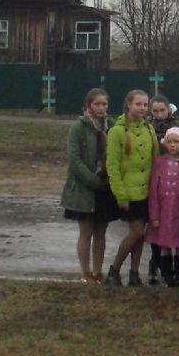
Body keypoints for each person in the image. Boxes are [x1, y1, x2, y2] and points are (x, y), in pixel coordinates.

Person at [60, 87, 118, 284]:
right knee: (86, 232)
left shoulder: (111, 126)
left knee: (101, 232)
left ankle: (97, 271)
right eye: (97, 104)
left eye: (104, 104)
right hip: (85, 188)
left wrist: (108, 179)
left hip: (106, 187)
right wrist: (92, 180)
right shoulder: (79, 127)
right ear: (88, 106)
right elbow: (74, 160)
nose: (101, 108)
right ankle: (85, 272)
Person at [105, 89, 158, 287]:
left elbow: (155, 160)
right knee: (136, 231)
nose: (143, 108)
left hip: (147, 191)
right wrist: (120, 194)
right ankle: (114, 270)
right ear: (128, 105)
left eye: (145, 104)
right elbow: (113, 165)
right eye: (139, 104)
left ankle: (134, 273)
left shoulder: (149, 129)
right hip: (128, 192)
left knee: (141, 233)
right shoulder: (117, 132)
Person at [144, 127, 179, 288]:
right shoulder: (159, 163)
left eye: (176, 142)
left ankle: (178, 276)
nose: (172, 145)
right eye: (169, 142)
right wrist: (154, 216)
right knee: (163, 244)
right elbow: (153, 191)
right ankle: (166, 275)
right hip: (163, 212)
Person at [146, 94, 179, 282]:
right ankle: (155, 262)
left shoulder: (175, 128)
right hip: (154, 177)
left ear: (169, 110)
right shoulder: (147, 127)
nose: (159, 114)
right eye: (155, 111)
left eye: (162, 110)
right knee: (155, 224)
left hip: (172, 179)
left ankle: (171, 267)